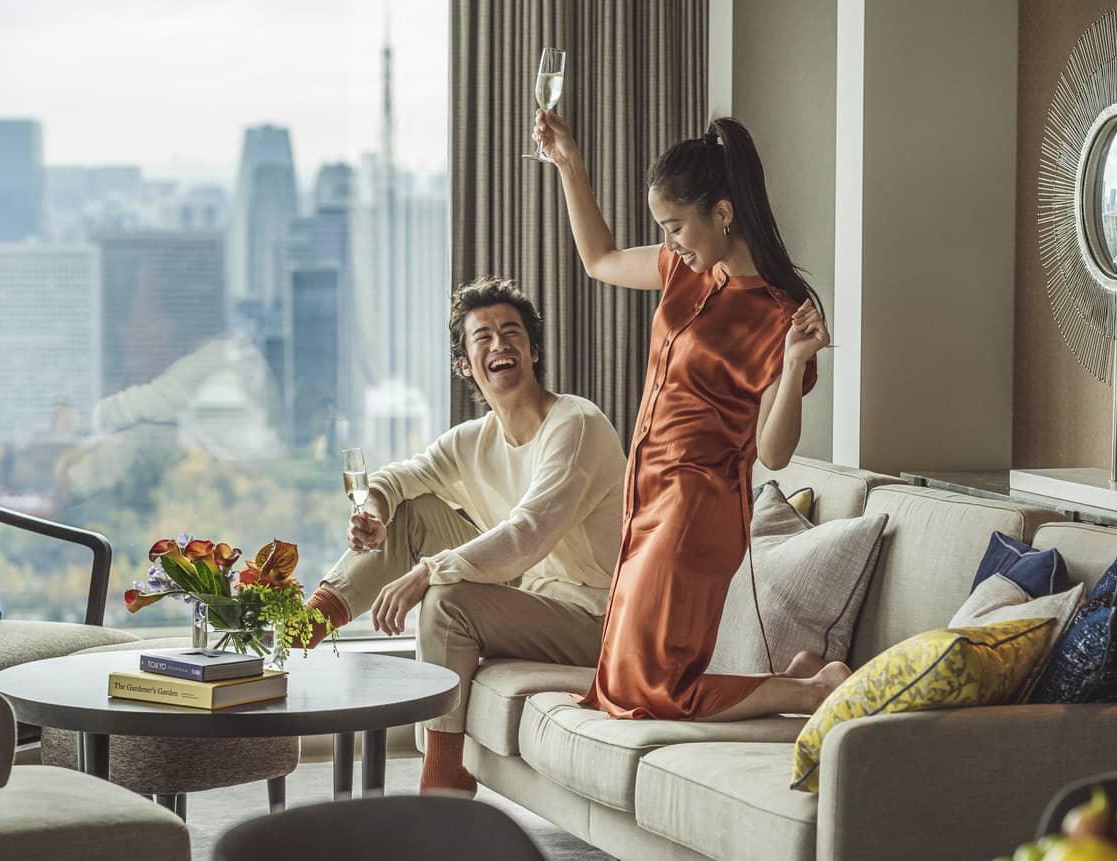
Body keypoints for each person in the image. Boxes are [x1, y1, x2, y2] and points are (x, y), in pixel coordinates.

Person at [532, 110, 846, 723]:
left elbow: (774, 453)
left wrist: (793, 359)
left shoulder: (781, 314)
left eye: (676, 226)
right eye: (663, 228)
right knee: (620, 677)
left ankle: (813, 692)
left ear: (722, 214)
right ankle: (805, 676)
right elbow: (599, 260)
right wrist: (569, 163)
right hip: (646, 493)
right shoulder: (683, 270)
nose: (669, 241)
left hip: (697, 507)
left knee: (652, 688)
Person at [303, 277, 627, 794]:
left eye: (511, 332)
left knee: (446, 599)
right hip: (533, 598)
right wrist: (371, 509)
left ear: (534, 349)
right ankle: (303, 628)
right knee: (410, 511)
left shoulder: (576, 423)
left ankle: (443, 776)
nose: (499, 344)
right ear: (465, 365)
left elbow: (528, 534)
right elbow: (396, 479)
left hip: (599, 620)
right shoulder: (474, 439)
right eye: (484, 337)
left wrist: (427, 571)